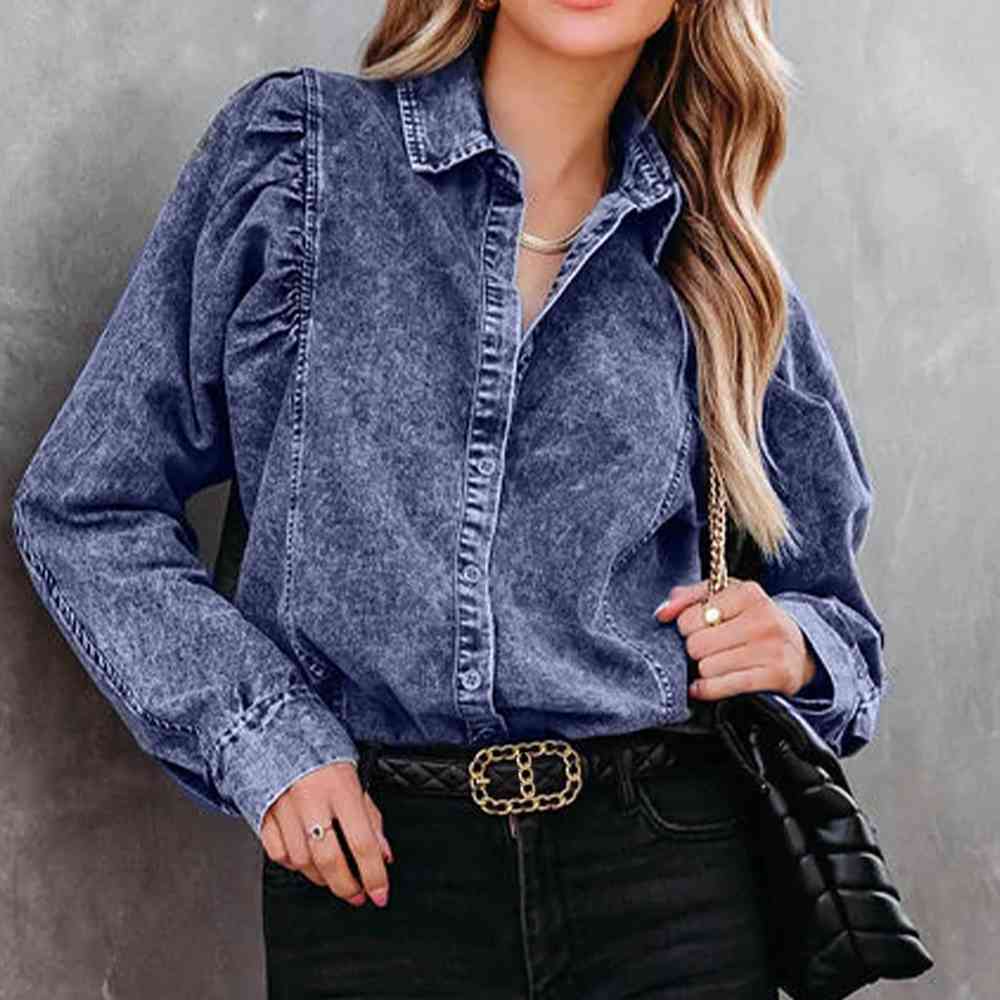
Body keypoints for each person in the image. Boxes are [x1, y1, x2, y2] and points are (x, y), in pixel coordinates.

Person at [10, 0, 886, 996]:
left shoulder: (715, 260)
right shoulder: (301, 159)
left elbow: (840, 625)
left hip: (670, 875)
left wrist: (796, 643)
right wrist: (265, 738)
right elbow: (88, 504)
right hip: (379, 881)